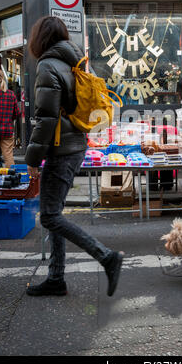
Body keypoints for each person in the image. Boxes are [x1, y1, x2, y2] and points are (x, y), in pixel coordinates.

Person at [25, 16, 124, 297]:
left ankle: (106, 256)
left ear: (40, 39)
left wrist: (32, 159)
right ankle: (56, 278)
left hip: (61, 150)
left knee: (49, 217)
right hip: (76, 145)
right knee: (54, 213)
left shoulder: (48, 65)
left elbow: (46, 119)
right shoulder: (76, 62)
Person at [0, 69, 20, 168]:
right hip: (7, 130)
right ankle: (11, 178)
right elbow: (16, 113)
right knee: (8, 156)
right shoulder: (11, 94)